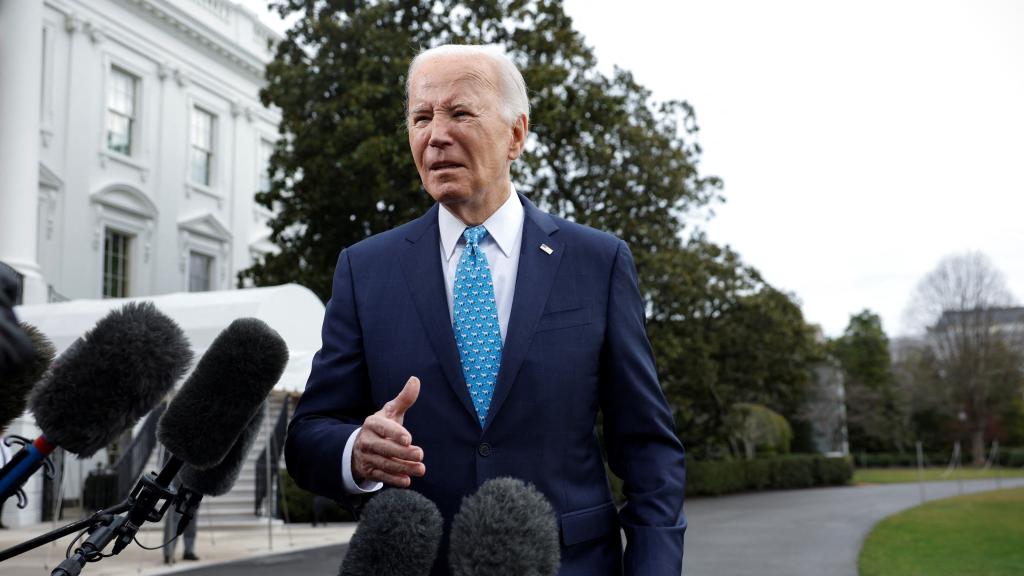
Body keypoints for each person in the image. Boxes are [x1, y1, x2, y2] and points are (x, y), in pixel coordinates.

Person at [285, 44, 686, 576]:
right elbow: (309, 433)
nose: (436, 135)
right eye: (421, 117)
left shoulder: (598, 262)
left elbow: (648, 450)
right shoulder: (365, 270)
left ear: (516, 134)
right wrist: (355, 450)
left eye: (460, 113)